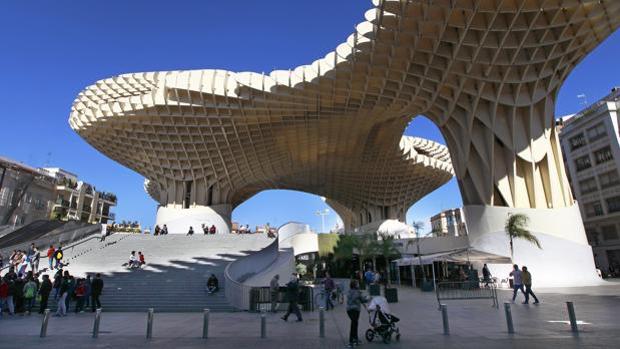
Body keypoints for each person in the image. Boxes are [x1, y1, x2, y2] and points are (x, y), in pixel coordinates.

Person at [346, 279, 367, 347]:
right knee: (354, 325)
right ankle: (351, 341)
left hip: (349, 310)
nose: (358, 284)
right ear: (355, 285)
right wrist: (369, 298)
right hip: (355, 310)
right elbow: (363, 300)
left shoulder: (349, 291)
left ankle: (355, 338)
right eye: (357, 284)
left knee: (354, 323)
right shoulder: (358, 292)